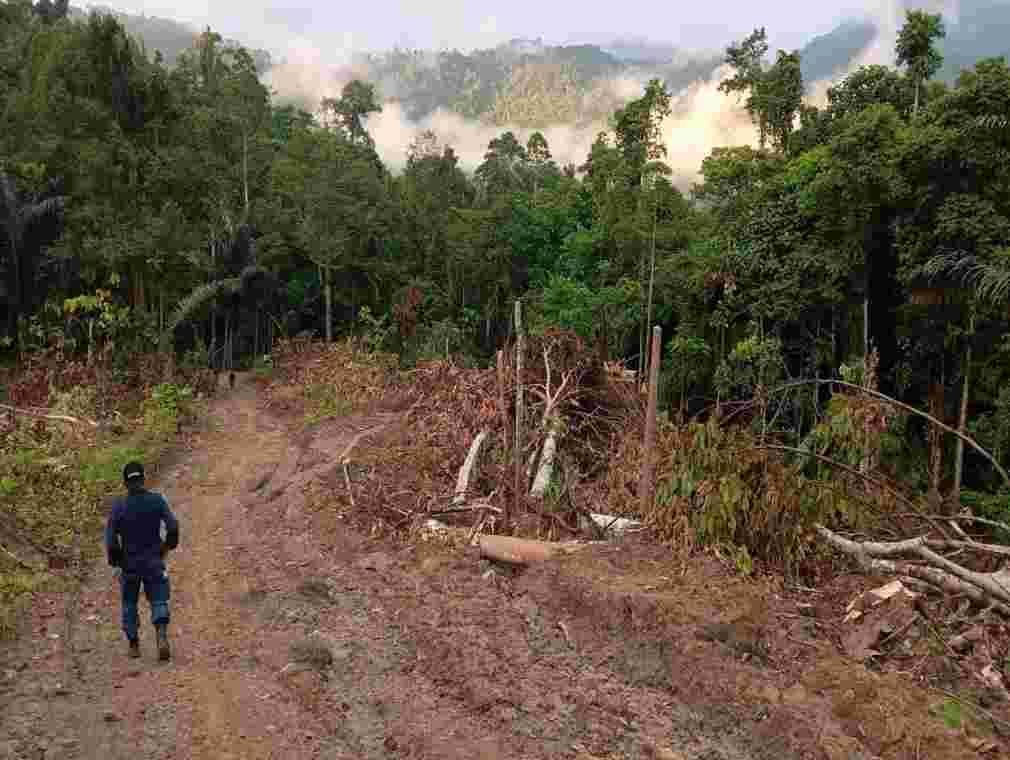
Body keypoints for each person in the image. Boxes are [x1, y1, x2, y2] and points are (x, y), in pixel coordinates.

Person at [105, 461, 179, 661]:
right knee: (159, 599)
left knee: (129, 603)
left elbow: (111, 541)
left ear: (125, 483)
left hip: (129, 564)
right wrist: (167, 547)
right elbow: (172, 526)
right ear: (143, 479)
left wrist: (117, 560)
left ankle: (133, 644)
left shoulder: (119, 507)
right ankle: (161, 634)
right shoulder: (157, 501)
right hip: (154, 559)